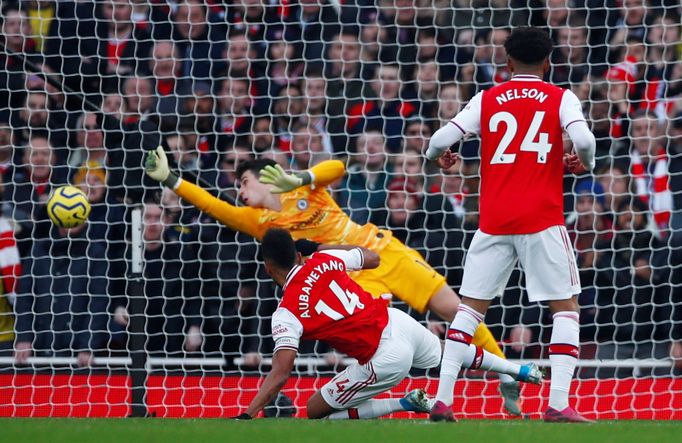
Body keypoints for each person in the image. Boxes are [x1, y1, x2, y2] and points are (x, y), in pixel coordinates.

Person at [145, 153, 527, 415]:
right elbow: (217, 208)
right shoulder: (260, 223)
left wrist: (303, 176)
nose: (240, 193)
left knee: (454, 309)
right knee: (378, 341)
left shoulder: (304, 188)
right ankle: (385, 402)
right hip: (351, 278)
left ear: (266, 176)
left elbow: (338, 166)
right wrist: (173, 180)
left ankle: (507, 374)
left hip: (380, 250)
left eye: (243, 183)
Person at [425, 27, 597, 423]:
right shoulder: (560, 97)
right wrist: (584, 162)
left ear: (507, 62)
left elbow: (437, 140)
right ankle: (557, 404)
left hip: (494, 220)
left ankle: (443, 399)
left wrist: (442, 157)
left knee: (468, 311)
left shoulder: (488, 98)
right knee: (566, 310)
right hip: (542, 219)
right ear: (548, 62)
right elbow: (584, 140)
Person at [235, 229, 541, 419]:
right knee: (449, 349)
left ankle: (405, 402)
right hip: (397, 321)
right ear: (299, 254)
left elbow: (282, 370)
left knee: (316, 411)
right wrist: (324, 250)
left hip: (383, 357)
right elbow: (373, 259)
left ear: (266, 267)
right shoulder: (325, 259)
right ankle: (518, 370)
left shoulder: (286, 312)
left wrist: (248, 414)